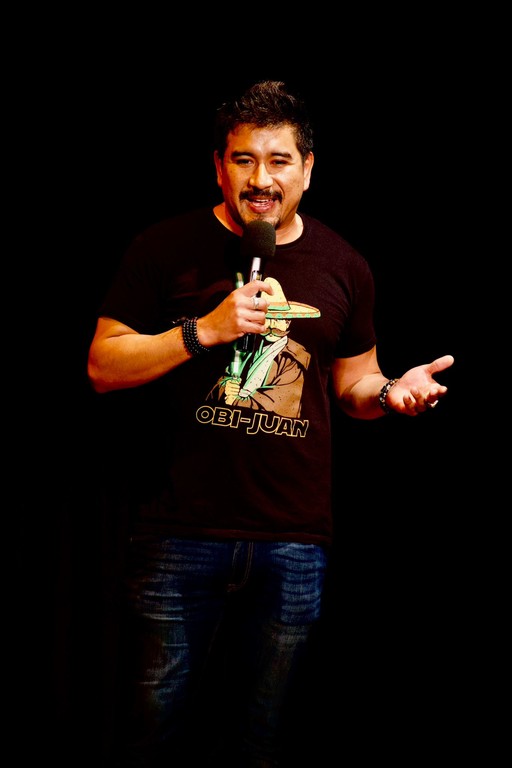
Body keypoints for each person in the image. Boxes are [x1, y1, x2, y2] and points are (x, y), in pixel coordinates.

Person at [87, 79, 454, 767]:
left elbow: (353, 385)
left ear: (307, 169)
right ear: (219, 167)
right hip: (178, 533)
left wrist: (391, 394)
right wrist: (204, 330)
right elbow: (103, 365)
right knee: (150, 734)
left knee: (259, 741)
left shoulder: (345, 265)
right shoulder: (164, 247)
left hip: (292, 539)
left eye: (279, 160)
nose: (261, 180)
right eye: (244, 160)